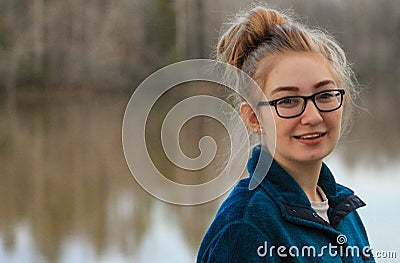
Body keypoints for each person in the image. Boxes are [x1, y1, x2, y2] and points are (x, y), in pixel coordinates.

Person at [197, 5, 374, 263]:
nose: (313, 117)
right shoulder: (245, 229)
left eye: (324, 95)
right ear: (253, 117)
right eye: (288, 100)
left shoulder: (343, 209)